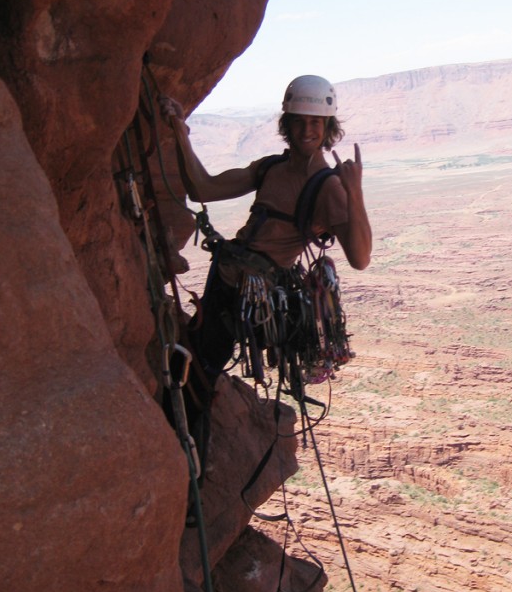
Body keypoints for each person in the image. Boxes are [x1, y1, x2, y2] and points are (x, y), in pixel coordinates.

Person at [159, 74, 372, 451]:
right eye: (299, 121)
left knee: (199, 373)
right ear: (286, 124)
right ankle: (181, 451)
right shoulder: (272, 168)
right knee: (195, 362)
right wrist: (180, 131)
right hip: (225, 279)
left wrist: (354, 191)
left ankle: (187, 470)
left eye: (316, 123)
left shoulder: (329, 187)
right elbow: (202, 188)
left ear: (328, 129)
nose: (307, 130)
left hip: (248, 298)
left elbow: (360, 258)